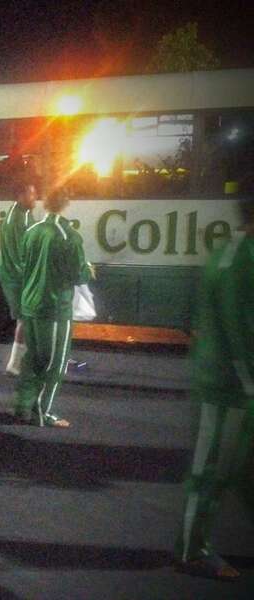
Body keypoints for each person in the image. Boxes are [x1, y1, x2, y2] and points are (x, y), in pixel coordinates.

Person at [174, 188, 254, 580]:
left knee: (241, 470)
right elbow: (241, 334)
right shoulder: (239, 262)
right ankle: (191, 550)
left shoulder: (235, 254)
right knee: (210, 469)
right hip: (224, 388)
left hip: (235, 386)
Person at [13, 190, 91, 428]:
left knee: (32, 360)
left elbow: (23, 266)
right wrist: (88, 269)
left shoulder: (31, 231)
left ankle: (22, 406)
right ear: (66, 205)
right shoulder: (68, 235)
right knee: (54, 364)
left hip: (30, 305)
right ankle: (42, 412)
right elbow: (78, 274)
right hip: (55, 308)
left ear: (45, 205)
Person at [0, 182, 38, 375]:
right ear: (21, 195)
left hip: (19, 275)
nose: (35, 197)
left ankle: (23, 361)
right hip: (16, 277)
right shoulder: (17, 220)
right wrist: (32, 277)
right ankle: (14, 364)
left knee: (28, 318)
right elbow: (19, 256)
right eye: (32, 193)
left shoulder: (24, 214)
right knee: (25, 318)